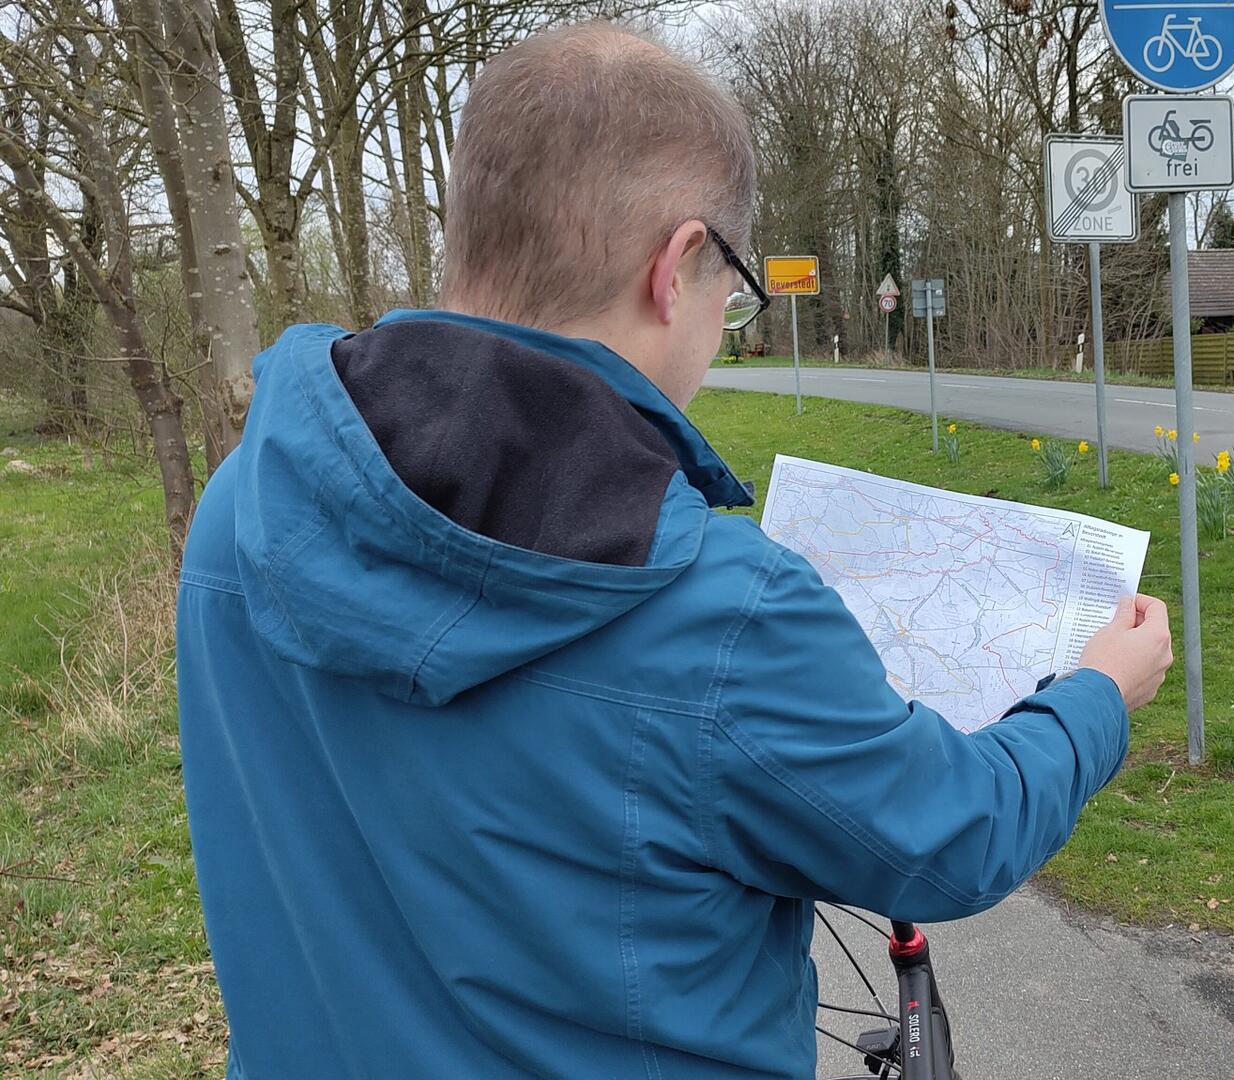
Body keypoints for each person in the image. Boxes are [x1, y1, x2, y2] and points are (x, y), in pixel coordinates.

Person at [175, 21, 1172, 1080]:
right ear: (680, 262)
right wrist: (1099, 693)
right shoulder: (723, 613)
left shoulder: (247, 506)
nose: (722, 321)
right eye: (731, 290)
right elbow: (953, 835)